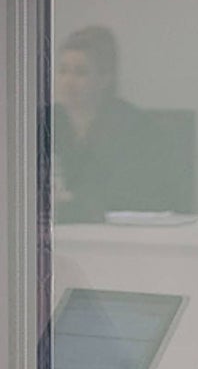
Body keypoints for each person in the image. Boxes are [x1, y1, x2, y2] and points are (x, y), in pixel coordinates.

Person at [51, 26, 158, 223]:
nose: (68, 82)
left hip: (116, 238)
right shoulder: (42, 123)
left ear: (105, 78)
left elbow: (131, 199)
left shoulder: (135, 127)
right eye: (63, 71)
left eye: (80, 73)